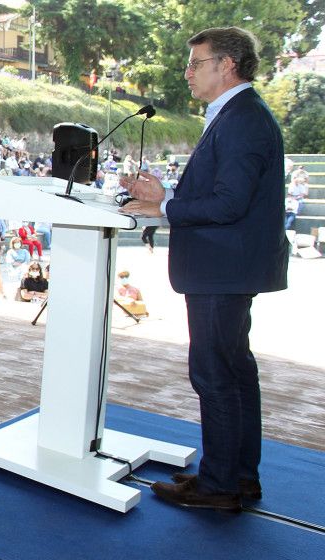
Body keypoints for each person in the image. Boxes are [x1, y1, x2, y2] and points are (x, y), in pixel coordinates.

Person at [119, 27, 288, 511]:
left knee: (216, 374)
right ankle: (235, 475)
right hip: (227, 265)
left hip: (222, 268)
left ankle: (220, 486)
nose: (187, 72)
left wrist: (166, 209)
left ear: (227, 65)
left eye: (196, 63)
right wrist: (164, 196)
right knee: (234, 371)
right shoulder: (237, 116)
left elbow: (230, 203)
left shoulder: (241, 119)